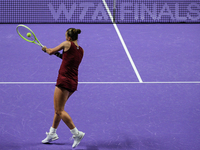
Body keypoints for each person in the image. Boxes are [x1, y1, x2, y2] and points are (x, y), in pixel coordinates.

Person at [41, 28, 85, 148]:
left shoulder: (66, 44)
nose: (65, 38)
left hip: (64, 80)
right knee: (59, 109)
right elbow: (65, 58)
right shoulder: (81, 50)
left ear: (69, 38)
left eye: (66, 36)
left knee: (59, 110)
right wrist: (53, 52)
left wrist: (45, 49)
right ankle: (52, 133)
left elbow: (50, 51)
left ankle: (76, 133)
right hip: (73, 82)